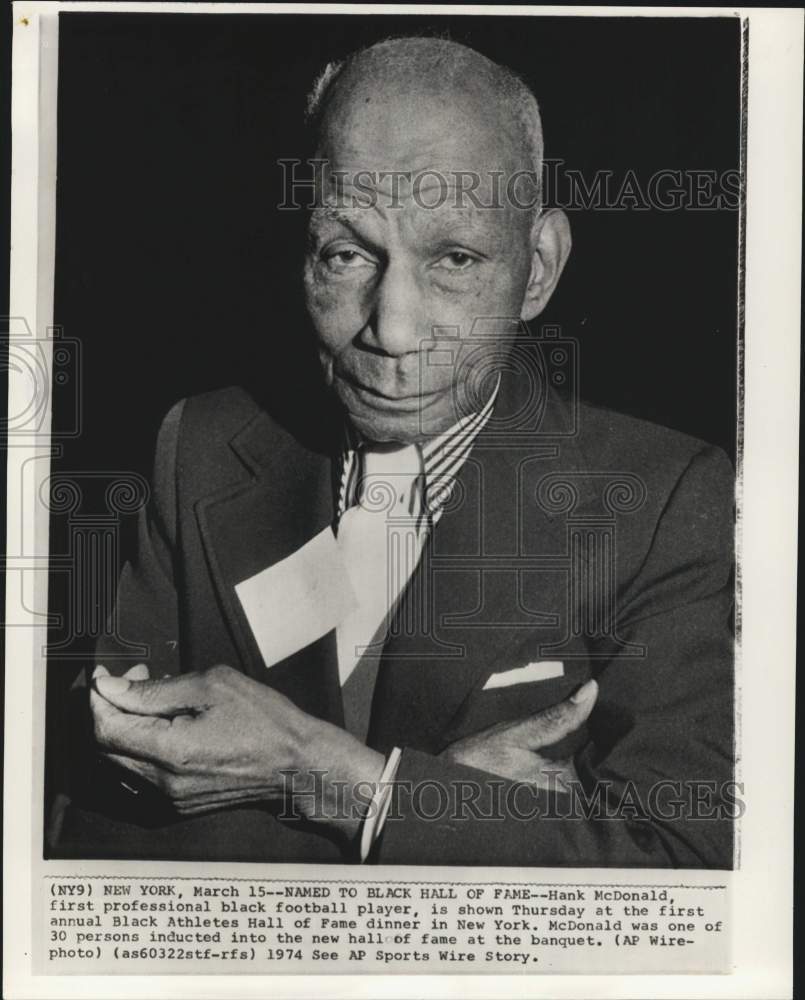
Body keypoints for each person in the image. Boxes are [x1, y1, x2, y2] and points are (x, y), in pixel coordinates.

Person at [52, 36, 735, 867]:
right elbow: (85, 838)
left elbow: (684, 874)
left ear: (537, 268)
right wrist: (424, 799)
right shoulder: (199, 446)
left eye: (453, 260)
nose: (392, 329)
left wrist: (338, 783)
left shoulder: (666, 503)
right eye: (347, 254)